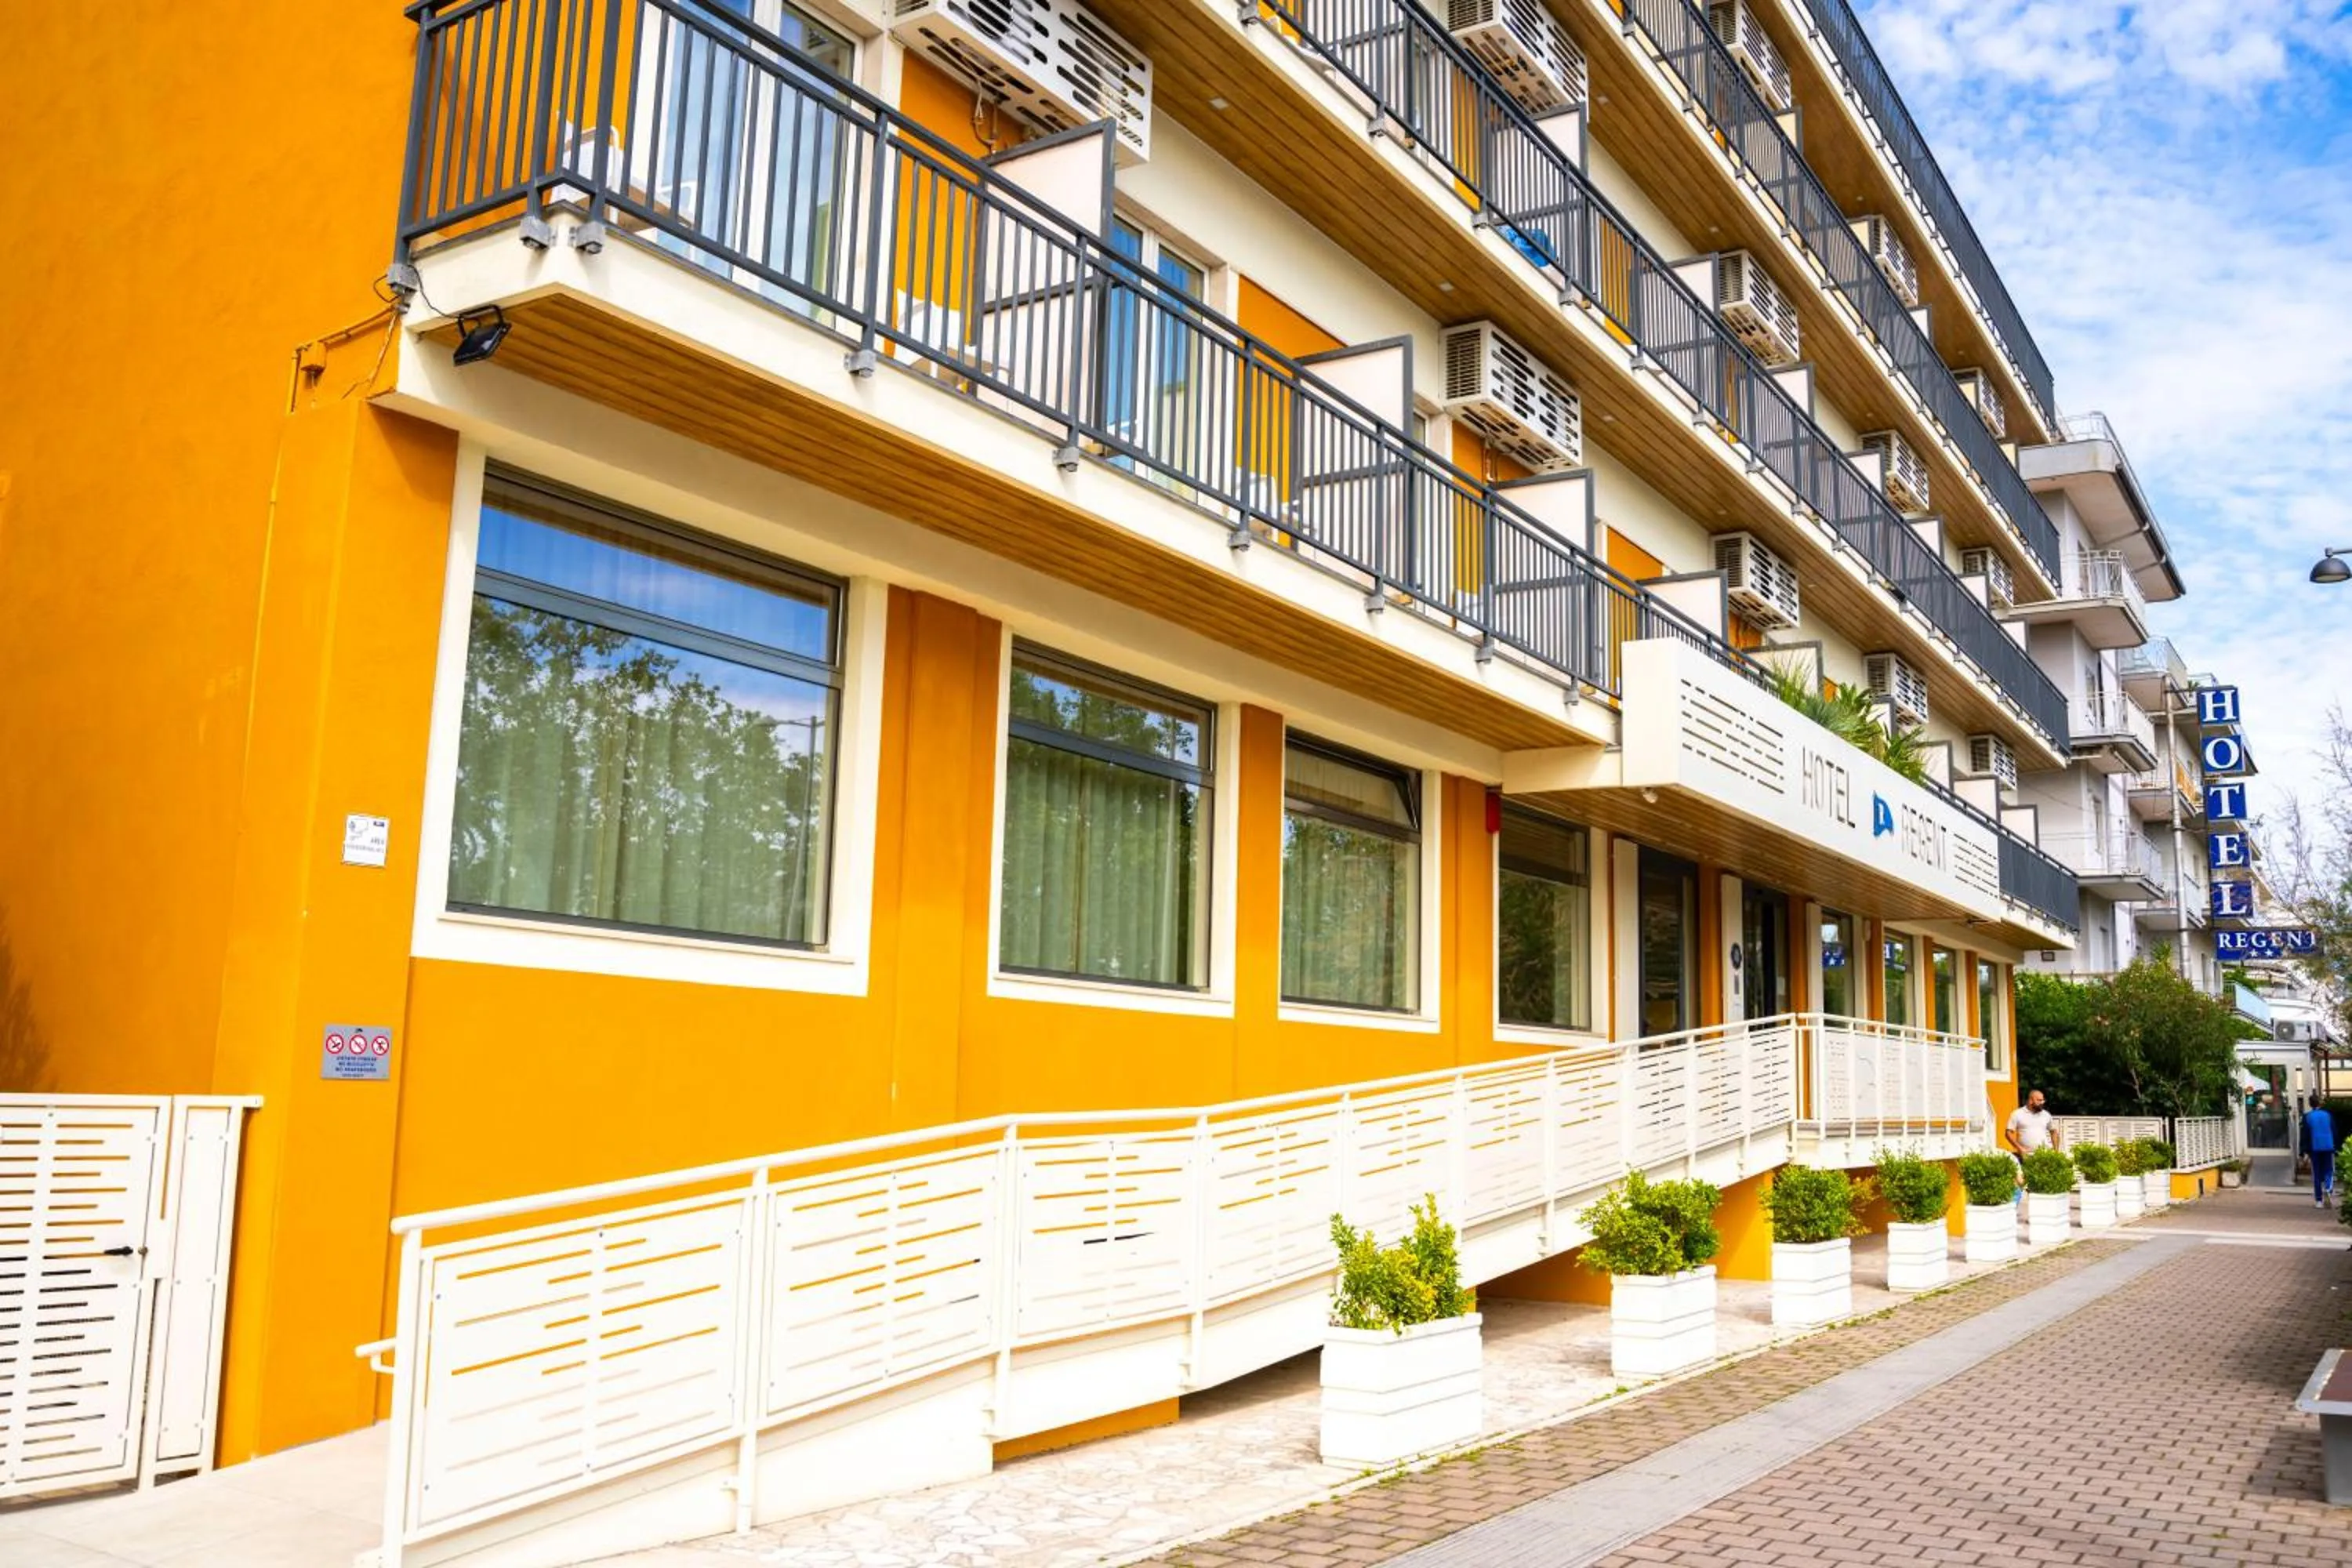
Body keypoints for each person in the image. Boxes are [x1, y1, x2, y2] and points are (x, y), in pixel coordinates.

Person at [2005, 1089, 2053, 1201]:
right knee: (2024, 1183)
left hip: (2044, 1155)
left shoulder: (2046, 1115)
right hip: (2025, 1156)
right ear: (2031, 1100)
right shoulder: (2017, 1114)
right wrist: (2020, 1148)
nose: (2042, 1102)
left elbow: (2054, 1131)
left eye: (2043, 1100)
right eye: (2039, 1100)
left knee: (2043, 1184)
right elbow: (2008, 1133)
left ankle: (2040, 1205)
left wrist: (2056, 1150)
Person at [2304, 1102, 2336, 1207]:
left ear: (2310, 1104)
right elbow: (2334, 1130)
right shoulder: (2328, 1115)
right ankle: (2328, 1189)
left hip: (2315, 1147)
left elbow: (2306, 1134)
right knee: (2328, 1170)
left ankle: (2319, 1200)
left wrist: (2305, 1151)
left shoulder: (2308, 1117)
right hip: (2328, 1145)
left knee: (2317, 1173)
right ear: (2320, 1104)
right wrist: (2336, 1146)